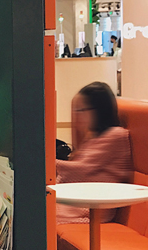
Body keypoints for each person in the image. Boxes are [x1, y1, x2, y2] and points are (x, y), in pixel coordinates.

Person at [56, 81, 133, 224]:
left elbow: (83, 170)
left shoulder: (116, 135)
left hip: (92, 211)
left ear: (99, 110)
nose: (75, 115)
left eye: (80, 110)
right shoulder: (93, 136)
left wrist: (47, 162)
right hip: (80, 202)